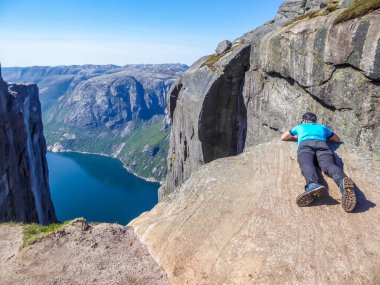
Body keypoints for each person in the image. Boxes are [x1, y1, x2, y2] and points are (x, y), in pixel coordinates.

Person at [281, 112, 356, 212]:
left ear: (304, 120)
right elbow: (337, 139)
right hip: (323, 145)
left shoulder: (300, 126)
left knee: (307, 164)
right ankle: (343, 183)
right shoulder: (322, 127)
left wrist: (297, 136)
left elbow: (283, 137)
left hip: (306, 145)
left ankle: (313, 185)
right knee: (328, 165)